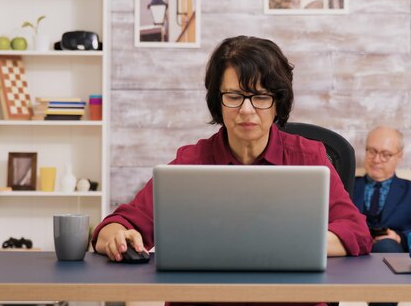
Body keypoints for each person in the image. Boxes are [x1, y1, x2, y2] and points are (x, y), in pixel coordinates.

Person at [92, 35, 373, 264]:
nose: (246, 110)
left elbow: (358, 232)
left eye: (260, 96)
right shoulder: (191, 163)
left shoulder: (310, 157)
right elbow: (116, 225)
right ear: (218, 100)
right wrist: (116, 236)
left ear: (278, 102)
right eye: (234, 96)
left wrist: (296, 244)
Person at [353, 126, 411, 253]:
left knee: (386, 245)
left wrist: (400, 237)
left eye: (385, 154)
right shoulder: (347, 185)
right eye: (372, 151)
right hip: (353, 249)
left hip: (389, 251)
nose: (376, 160)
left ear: (399, 157)